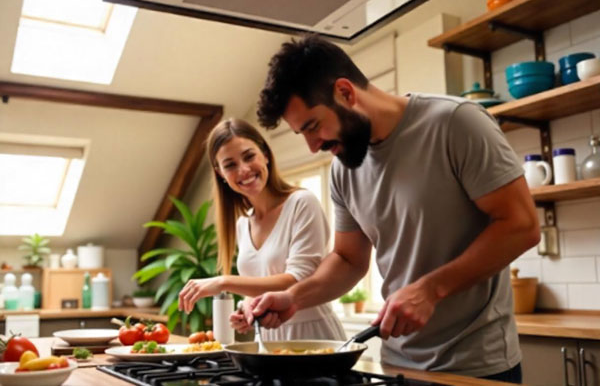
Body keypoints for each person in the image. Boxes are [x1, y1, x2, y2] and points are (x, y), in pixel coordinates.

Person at [246, 35, 540, 382]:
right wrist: (293, 297)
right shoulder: (343, 168)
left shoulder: (456, 123)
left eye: (312, 126)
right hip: (397, 365)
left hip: (477, 366)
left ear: (345, 92)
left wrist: (431, 289)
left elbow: (522, 225)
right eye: (302, 134)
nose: (312, 147)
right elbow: (348, 259)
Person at [178, 118, 345, 341]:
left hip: (312, 338)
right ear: (220, 174)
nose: (244, 170)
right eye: (230, 165)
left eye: (249, 156)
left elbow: (298, 280)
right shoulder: (242, 224)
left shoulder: (302, 203)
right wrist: (248, 308)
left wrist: (223, 282)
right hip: (266, 344)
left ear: (265, 155)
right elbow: (261, 285)